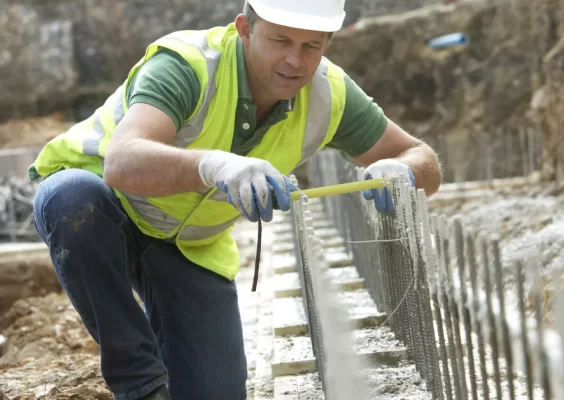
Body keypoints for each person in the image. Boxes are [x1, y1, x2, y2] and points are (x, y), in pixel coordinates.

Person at [28, 0, 442, 399]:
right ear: (245, 30)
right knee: (72, 200)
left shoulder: (329, 94)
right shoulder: (188, 65)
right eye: (281, 41)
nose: (295, 61)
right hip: (107, 205)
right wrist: (214, 166)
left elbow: (422, 157)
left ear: (327, 43)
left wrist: (403, 171)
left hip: (188, 246)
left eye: (310, 46)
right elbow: (121, 162)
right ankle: (139, 384)